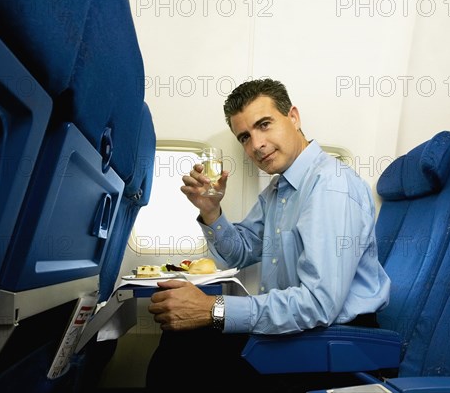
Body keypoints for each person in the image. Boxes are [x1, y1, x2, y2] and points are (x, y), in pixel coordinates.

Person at [146, 78, 390, 392]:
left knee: (185, 357)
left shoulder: (331, 186)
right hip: (302, 330)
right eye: (245, 137)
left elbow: (319, 304)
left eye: (264, 125)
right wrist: (210, 210)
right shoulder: (279, 189)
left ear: (294, 117)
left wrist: (213, 309)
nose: (256, 145)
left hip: (338, 343)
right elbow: (241, 251)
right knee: (181, 335)